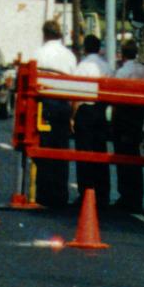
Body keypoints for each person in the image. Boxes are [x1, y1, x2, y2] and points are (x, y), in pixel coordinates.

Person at [34, 20, 80, 208]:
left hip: (44, 105)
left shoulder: (39, 53)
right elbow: (75, 84)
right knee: (61, 149)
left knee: (44, 147)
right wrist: (72, 115)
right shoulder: (68, 55)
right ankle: (60, 193)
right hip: (63, 105)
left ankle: (43, 193)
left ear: (44, 34)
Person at [111, 41, 144, 211]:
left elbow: (114, 98)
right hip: (139, 118)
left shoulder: (121, 72)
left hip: (123, 117)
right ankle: (136, 196)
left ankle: (126, 196)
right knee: (135, 157)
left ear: (122, 54)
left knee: (122, 158)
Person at [73, 35, 111, 206]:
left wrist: (72, 117)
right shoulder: (106, 66)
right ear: (99, 48)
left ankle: (86, 192)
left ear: (85, 48)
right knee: (100, 153)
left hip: (86, 111)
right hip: (101, 111)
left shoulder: (82, 66)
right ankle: (103, 194)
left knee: (84, 153)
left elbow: (76, 94)